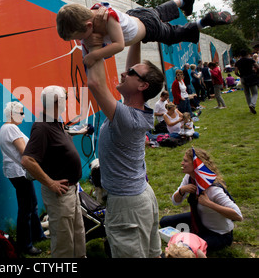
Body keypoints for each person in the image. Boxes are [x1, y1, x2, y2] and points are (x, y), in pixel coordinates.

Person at [84, 35, 164, 257]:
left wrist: (92, 44)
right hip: (142, 196)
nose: (123, 72)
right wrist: (137, 36)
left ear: (142, 85)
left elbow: (94, 83)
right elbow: (133, 69)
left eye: (129, 74)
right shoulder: (137, 108)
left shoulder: (127, 118)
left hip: (126, 204)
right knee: (151, 252)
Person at [56, 0, 234, 67]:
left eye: (80, 37)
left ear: (88, 26)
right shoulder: (93, 12)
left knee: (172, 34)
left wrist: (94, 55)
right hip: (137, 15)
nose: (81, 41)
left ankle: (203, 22)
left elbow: (118, 45)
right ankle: (183, 0)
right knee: (158, 10)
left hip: (148, 28)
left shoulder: (108, 19)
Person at [21, 86, 86, 258]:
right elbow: (27, 160)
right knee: (63, 240)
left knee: (77, 233)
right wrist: (50, 183)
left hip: (71, 189)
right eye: (65, 98)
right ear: (56, 102)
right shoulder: (41, 127)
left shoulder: (56, 121)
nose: (67, 101)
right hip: (60, 194)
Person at [160, 148, 243, 252]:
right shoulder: (189, 177)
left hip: (218, 234)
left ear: (195, 165)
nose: (182, 163)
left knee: (186, 251)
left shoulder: (213, 189)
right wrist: (182, 190)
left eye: (185, 161)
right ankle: (193, 234)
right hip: (200, 220)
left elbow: (238, 216)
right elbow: (176, 202)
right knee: (164, 222)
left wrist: (209, 204)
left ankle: (193, 238)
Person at [0, 101, 46, 255]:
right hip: (20, 172)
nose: (23, 115)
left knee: (32, 205)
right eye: (21, 112)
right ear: (11, 114)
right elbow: (24, 151)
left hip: (18, 172)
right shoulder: (11, 128)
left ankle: (37, 236)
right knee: (26, 209)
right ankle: (25, 245)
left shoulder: (6, 128)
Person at [235, 49, 259, 114]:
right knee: (254, 93)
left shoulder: (238, 62)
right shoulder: (251, 60)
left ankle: (250, 108)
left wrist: (240, 76)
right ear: (247, 54)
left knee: (247, 94)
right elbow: (257, 66)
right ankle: (252, 105)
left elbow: (236, 72)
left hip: (243, 78)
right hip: (251, 77)